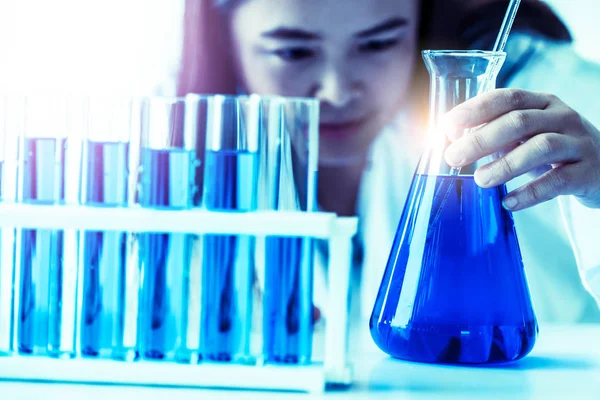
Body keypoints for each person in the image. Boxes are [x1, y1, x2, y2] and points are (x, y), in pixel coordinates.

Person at [177, 0, 600, 323]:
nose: (338, 91)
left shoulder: (525, 92)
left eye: (377, 43)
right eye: (293, 52)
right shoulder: (176, 142)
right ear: (223, 37)